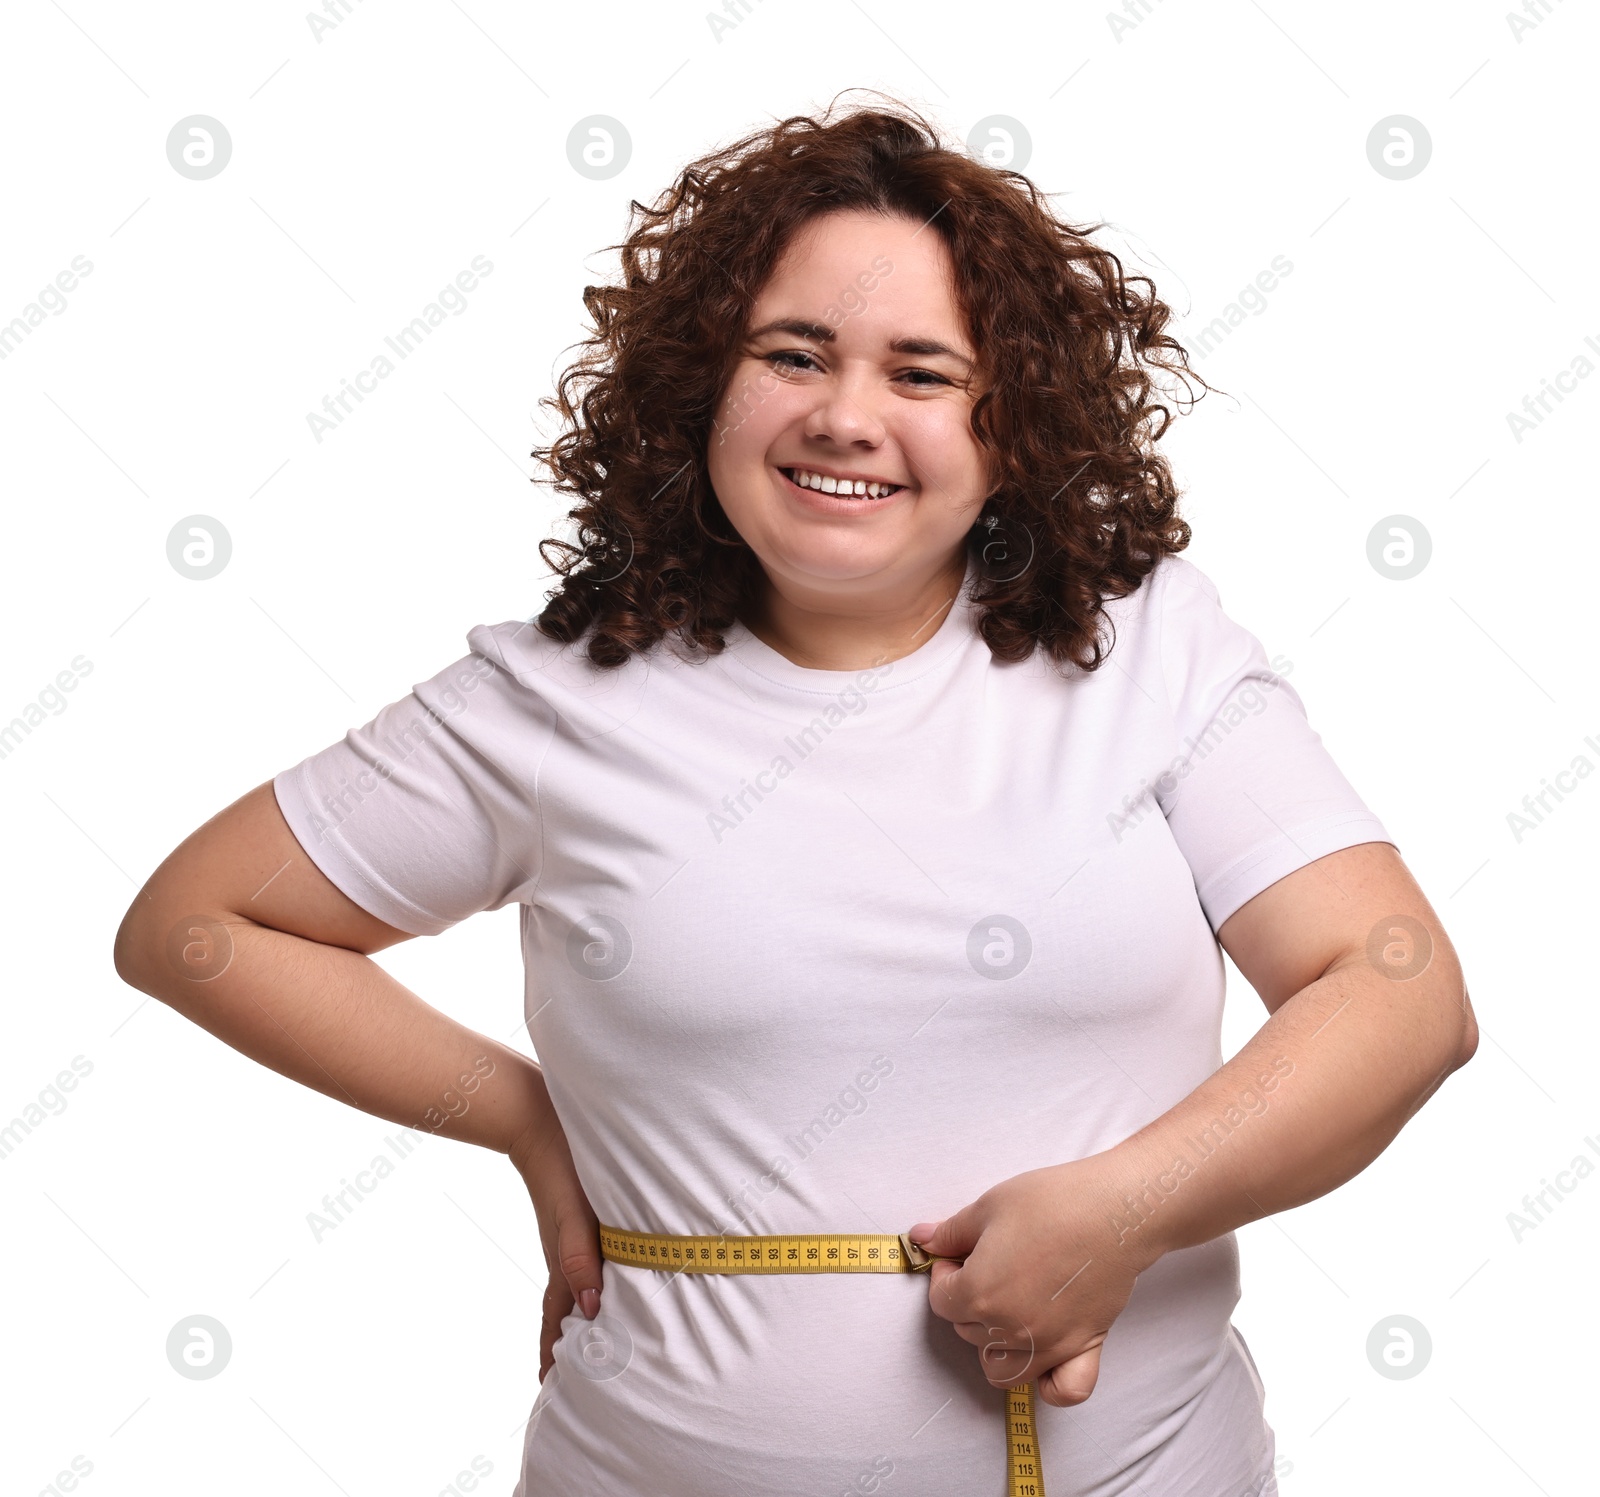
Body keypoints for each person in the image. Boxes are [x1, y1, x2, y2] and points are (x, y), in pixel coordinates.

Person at [113, 97, 1478, 1497]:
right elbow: (196, 925)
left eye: (924, 373)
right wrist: (525, 1117)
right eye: (794, 353)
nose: (845, 416)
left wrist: (1126, 1212)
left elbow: (1400, 994)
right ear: (707, 381)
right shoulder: (555, 699)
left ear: (1011, 424)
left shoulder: (1149, 650)